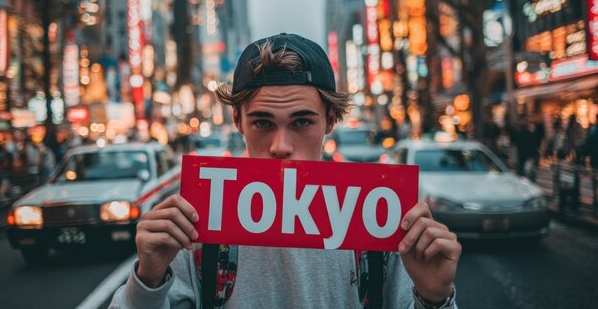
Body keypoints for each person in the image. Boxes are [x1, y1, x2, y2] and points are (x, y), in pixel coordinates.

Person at [110, 33, 460, 308]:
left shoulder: (377, 213)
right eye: (262, 122)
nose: (280, 145)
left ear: (330, 121)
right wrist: (148, 280)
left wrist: (434, 297)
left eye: (302, 122)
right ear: (238, 121)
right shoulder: (199, 215)